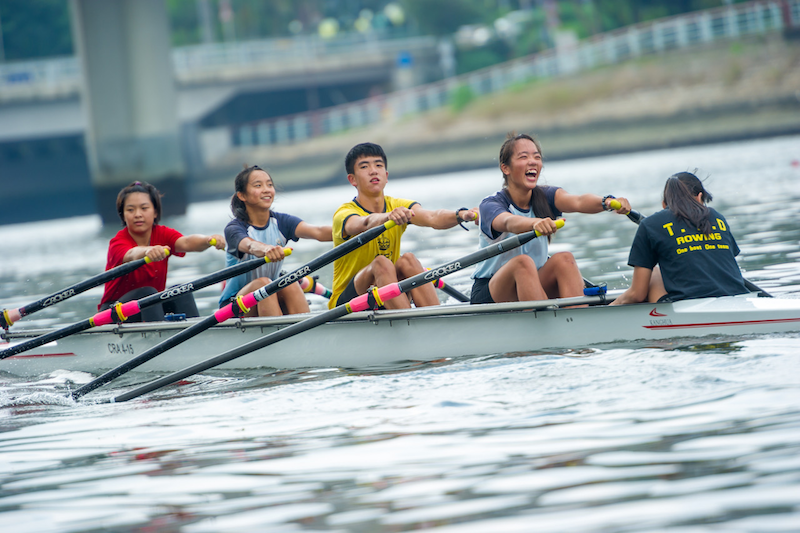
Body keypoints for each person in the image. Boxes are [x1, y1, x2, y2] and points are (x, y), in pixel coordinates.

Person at [471, 132, 632, 304]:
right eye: (523, 157)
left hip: (532, 283)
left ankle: (578, 319)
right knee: (523, 263)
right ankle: (546, 323)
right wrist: (535, 223)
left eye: (537, 157)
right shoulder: (490, 204)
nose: (532, 161)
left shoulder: (546, 196)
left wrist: (607, 202)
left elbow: (577, 201)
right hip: (491, 292)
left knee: (564, 259)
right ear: (506, 168)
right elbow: (508, 222)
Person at [330, 142, 479, 310]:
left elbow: (432, 217)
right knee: (381, 263)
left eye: (378, 165)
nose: (373, 170)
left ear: (386, 176)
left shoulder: (398, 204)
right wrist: (388, 216)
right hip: (346, 304)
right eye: (364, 167)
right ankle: (410, 322)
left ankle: (436, 318)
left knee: (408, 260)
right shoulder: (344, 213)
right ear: (352, 179)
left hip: (386, 291)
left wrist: (460, 215)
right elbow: (363, 223)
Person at [611, 172, 748, 305]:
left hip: (687, 307)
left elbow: (637, 295)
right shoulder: (717, 217)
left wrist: (612, 306)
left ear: (664, 204)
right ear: (700, 198)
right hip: (738, 297)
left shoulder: (650, 225)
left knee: (653, 272)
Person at [99, 181, 225, 321]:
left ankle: (196, 337)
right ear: (123, 215)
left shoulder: (163, 234)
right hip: (114, 312)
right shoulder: (118, 242)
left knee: (181, 290)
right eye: (130, 210)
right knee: (148, 292)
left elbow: (187, 242)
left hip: (150, 307)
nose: (138, 214)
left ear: (155, 212)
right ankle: (156, 335)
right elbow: (131, 254)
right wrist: (147, 251)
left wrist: (208, 240)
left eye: (144, 208)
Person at [219, 165, 333, 316]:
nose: (267, 190)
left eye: (270, 185)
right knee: (263, 283)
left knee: (289, 281)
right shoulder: (234, 229)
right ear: (242, 195)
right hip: (234, 307)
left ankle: (304, 331)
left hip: (268, 296)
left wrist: (356, 228)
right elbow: (250, 245)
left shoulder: (281, 221)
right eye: (258, 185)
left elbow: (318, 232)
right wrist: (266, 249)